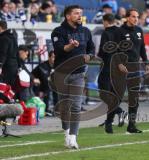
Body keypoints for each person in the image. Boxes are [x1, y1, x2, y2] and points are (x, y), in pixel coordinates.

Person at [51, 5, 95, 149]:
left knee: (76, 106)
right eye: (76, 13)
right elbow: (59, 49)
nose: (79, 15)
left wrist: (89, 55)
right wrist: (70, 47)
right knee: (64, 107)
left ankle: (73, 138)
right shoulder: (58, 31)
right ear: (68, 16)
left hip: (79, 74)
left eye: (80, 13)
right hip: (61, 74)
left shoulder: (86, 31)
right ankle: (67, 132)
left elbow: (91, 48)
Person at [118, 8, 149, 133]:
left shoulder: (139, 30)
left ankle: (131, 125)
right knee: (115, 96)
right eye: (133, 16)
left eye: (137, 17)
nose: (136, 19)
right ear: (127, 17)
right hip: (121, 68)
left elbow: (142, 48)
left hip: (135, 67)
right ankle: (118, 114)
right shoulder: (119, 31)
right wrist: (119, 64)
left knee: (134, 98)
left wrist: (146, 62)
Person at [97, 13, 126, 133]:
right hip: (119, 69)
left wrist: (99, 57)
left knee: (104, 93)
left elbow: (104, 50)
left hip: (108, 67)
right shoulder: (121, 32)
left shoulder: (106, 32)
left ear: (105, 21)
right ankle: (112, 118)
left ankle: (119, 111)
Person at [32, 50, 57, 116]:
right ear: (49, 57)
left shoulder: (57, 65)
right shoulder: (43, 66)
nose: (55, 59)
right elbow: (46, 80)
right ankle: (47, 109)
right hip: (38, 86)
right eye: (53, 57)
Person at [0, 20, 18, 88]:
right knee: (11, 88)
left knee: (4, 86)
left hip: (6, 67)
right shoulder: (13, 37)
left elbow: (3, 53)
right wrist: (19, 66)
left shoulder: (3, 38)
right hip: (14, 66)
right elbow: (17, 52)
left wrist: (0, 65)